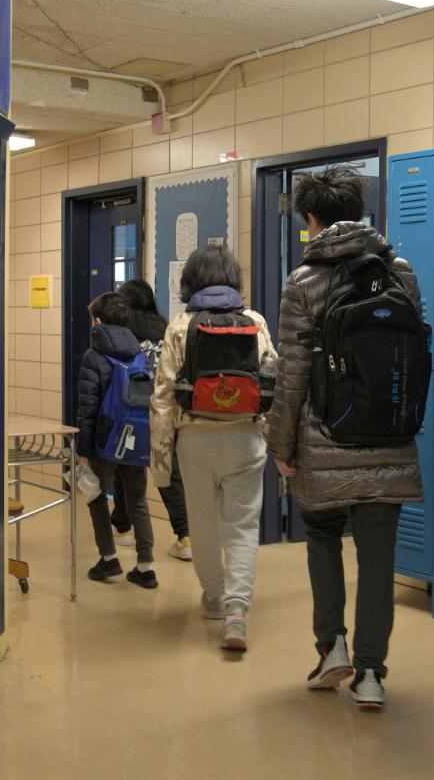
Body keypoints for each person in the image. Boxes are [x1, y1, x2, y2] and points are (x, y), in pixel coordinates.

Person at [265, 167, 425, 710]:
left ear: (311, 219)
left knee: (323, 540)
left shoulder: (302, 281)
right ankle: (373, 674)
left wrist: (280, 448)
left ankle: (333, 648)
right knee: (378, 560)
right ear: (358, 208)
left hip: (323, 441)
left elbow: (292, 376)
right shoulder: (400, 272)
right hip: (390, 440)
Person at [149, 245, 276, 650]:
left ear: (190, 280)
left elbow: (163, 398)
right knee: (241, 526)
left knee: (203, 524)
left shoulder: (181, 326)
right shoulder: (255, 321)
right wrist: (269, 437)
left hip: (196, 441)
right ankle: (237, 613)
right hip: (244, 437)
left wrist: (161, 461)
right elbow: (272, 382)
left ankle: (215, 597)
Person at [75, 291, 157, 588]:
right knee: (137, 500)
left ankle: (108, 559)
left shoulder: (94, 356)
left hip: (104, 439)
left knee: (96, 495)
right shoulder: (140, 353)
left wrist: (83, 450)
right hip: (135, 436)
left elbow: (87, 406)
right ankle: (146, 566)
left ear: (98, 321)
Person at [111, 278, 193, 562]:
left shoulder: (122, 333)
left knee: (125, 466)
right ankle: (185, 536)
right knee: (169, 472)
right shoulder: (166, 328)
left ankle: (123, 528)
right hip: (165, 410)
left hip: (131, 410)